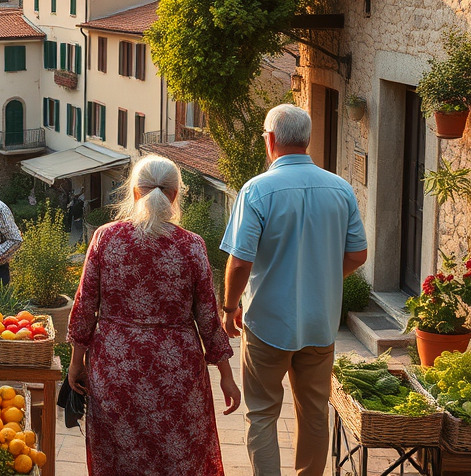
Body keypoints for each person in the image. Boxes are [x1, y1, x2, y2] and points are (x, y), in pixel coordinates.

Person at [67, 155, 241, 476]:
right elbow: (208, 318)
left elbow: (84, 307)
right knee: (177, 458)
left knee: (120, 462)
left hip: (116, 369)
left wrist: (76, 363)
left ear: (135, 191)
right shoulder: (192, 246)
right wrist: (227, 377)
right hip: (176, 372)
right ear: (175, 195)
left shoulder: (105, 238)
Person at [220, 104, 367, 476]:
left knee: (262, 413)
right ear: (307, 140)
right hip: (320, 324)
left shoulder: (257, 190)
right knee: (315, 413)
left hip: (267, 324)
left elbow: (240, 262)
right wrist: (323, 279)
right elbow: (358, 254)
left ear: (270, 140)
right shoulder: (341, 188)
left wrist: (230, 307)